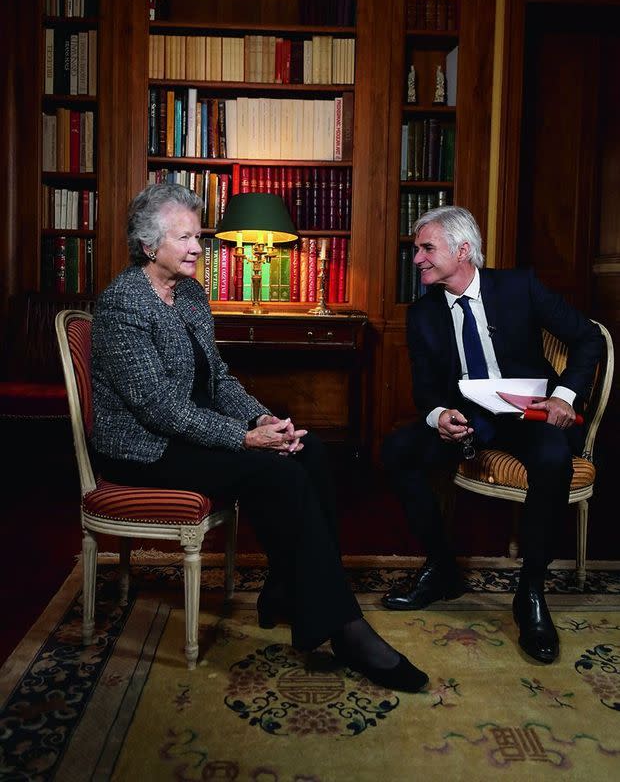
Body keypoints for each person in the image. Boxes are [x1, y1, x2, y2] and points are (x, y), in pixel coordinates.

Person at [90, 182, 427, 693]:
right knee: (275, 473)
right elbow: (157, 409)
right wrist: (245, 440)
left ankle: (288, 591)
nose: (198, 248)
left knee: (307, 448)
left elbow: (218, 380)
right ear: (148, 246)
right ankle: (343, 627)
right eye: (185, 238)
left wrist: (267, 423)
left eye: (197, 237)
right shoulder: (122, 306)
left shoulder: (191, 294)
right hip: (142, 449)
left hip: (184, 431)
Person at [381, 205, 603, 664]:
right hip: (470, 420)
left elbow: (588, 339)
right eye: (416, 248)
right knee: (397, 451)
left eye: (427, 248)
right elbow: (424, 387)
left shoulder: (518, 286)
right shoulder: (422, 313)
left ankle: (531, 593)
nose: (417, 258)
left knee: (552, 460)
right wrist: (439, 414)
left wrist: (564, 396)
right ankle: (442, 567)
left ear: (463, 251)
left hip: (530, 416)